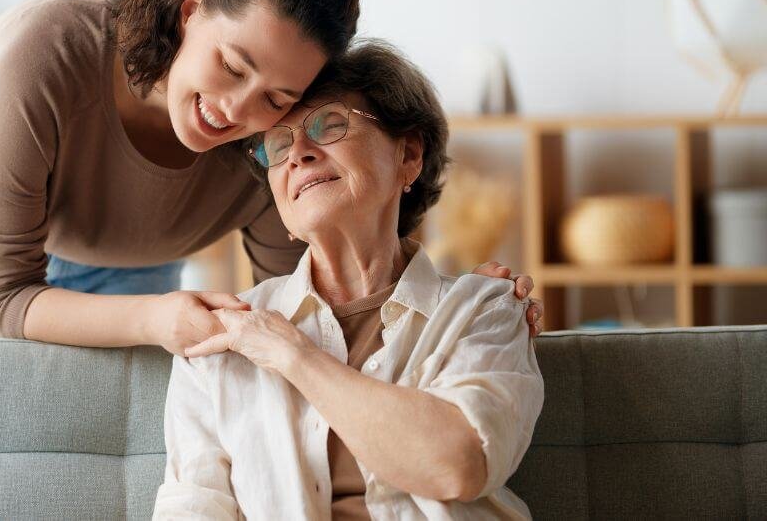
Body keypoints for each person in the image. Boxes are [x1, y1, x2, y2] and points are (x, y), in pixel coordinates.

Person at [0, 0, 544, 354]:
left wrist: (461, 308)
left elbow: (318, 310)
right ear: (193, 8)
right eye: (231, 66)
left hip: (130, 266)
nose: (233, 110)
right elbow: (1, 296)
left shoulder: (271, 148)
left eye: (277, 98)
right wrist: (153, 321)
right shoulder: (48, 53)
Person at [154, 41, 544, 519]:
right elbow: (193, 506)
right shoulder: (223, 336)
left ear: (409, 155)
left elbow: (458, 466)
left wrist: (293, 354)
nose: (297, 153)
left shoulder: (483, 309)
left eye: (329, 124)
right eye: (277, 144)